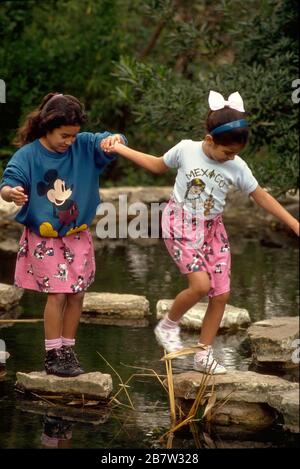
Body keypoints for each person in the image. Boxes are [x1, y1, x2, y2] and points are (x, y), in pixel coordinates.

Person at [101, 90, 299, 374]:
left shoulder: (236, 166)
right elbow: (156, 165)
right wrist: (119, 148)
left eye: (235, 153)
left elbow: (260, 195)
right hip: (180, 224)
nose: (230, 157)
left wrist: (292, 222)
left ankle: (203, 354)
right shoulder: (186, 149)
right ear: (209, 140)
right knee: (200, 287)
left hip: (212, 230)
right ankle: (168, 325)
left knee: (220, 295)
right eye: (227, 152)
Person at [0, 92, 127, 377]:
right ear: (48, 126)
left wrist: (115, 139)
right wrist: (11, 193)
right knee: (57, 294)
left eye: (73, 135)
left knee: (77, 294)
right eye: (64, 135)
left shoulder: (83, 146)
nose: (69, 141)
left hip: (77, 235)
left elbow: (113, 140)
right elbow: (8, 184)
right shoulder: (29, 155)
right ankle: (51, 353)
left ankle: (67, 350)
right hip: (45, 238)